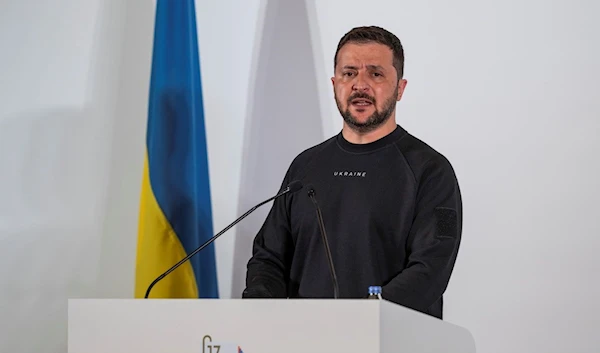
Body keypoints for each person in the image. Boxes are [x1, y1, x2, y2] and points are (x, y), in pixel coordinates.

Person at [242, 25, 462, 320]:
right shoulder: (304, 167)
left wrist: (363, 319)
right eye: (349, 73)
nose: (360, 84)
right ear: (335, 83)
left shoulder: (433, 171)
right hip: (304, 340)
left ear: (400, 88)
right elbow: (269, 257)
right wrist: (259, 310)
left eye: (375, 73)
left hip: (391, 339)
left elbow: (432, 267)